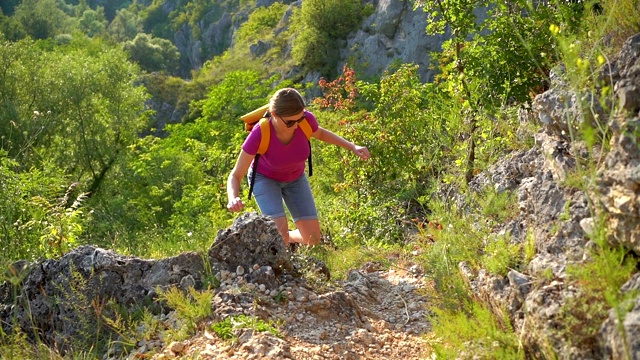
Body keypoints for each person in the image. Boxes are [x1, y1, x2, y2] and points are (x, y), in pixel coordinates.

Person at [226, 88, 370, 246]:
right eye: (290, 122)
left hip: (295, 178)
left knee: (313, 240)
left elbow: (320, 133)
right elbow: (235, 175)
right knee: (279, 239)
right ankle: (280, 238)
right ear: (274, 114)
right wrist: (233, 198)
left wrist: (352, 146)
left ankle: (288, 237)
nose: (296, 126)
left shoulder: (305, 121)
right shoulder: (260, 133)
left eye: (299, 119)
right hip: (265, 179)